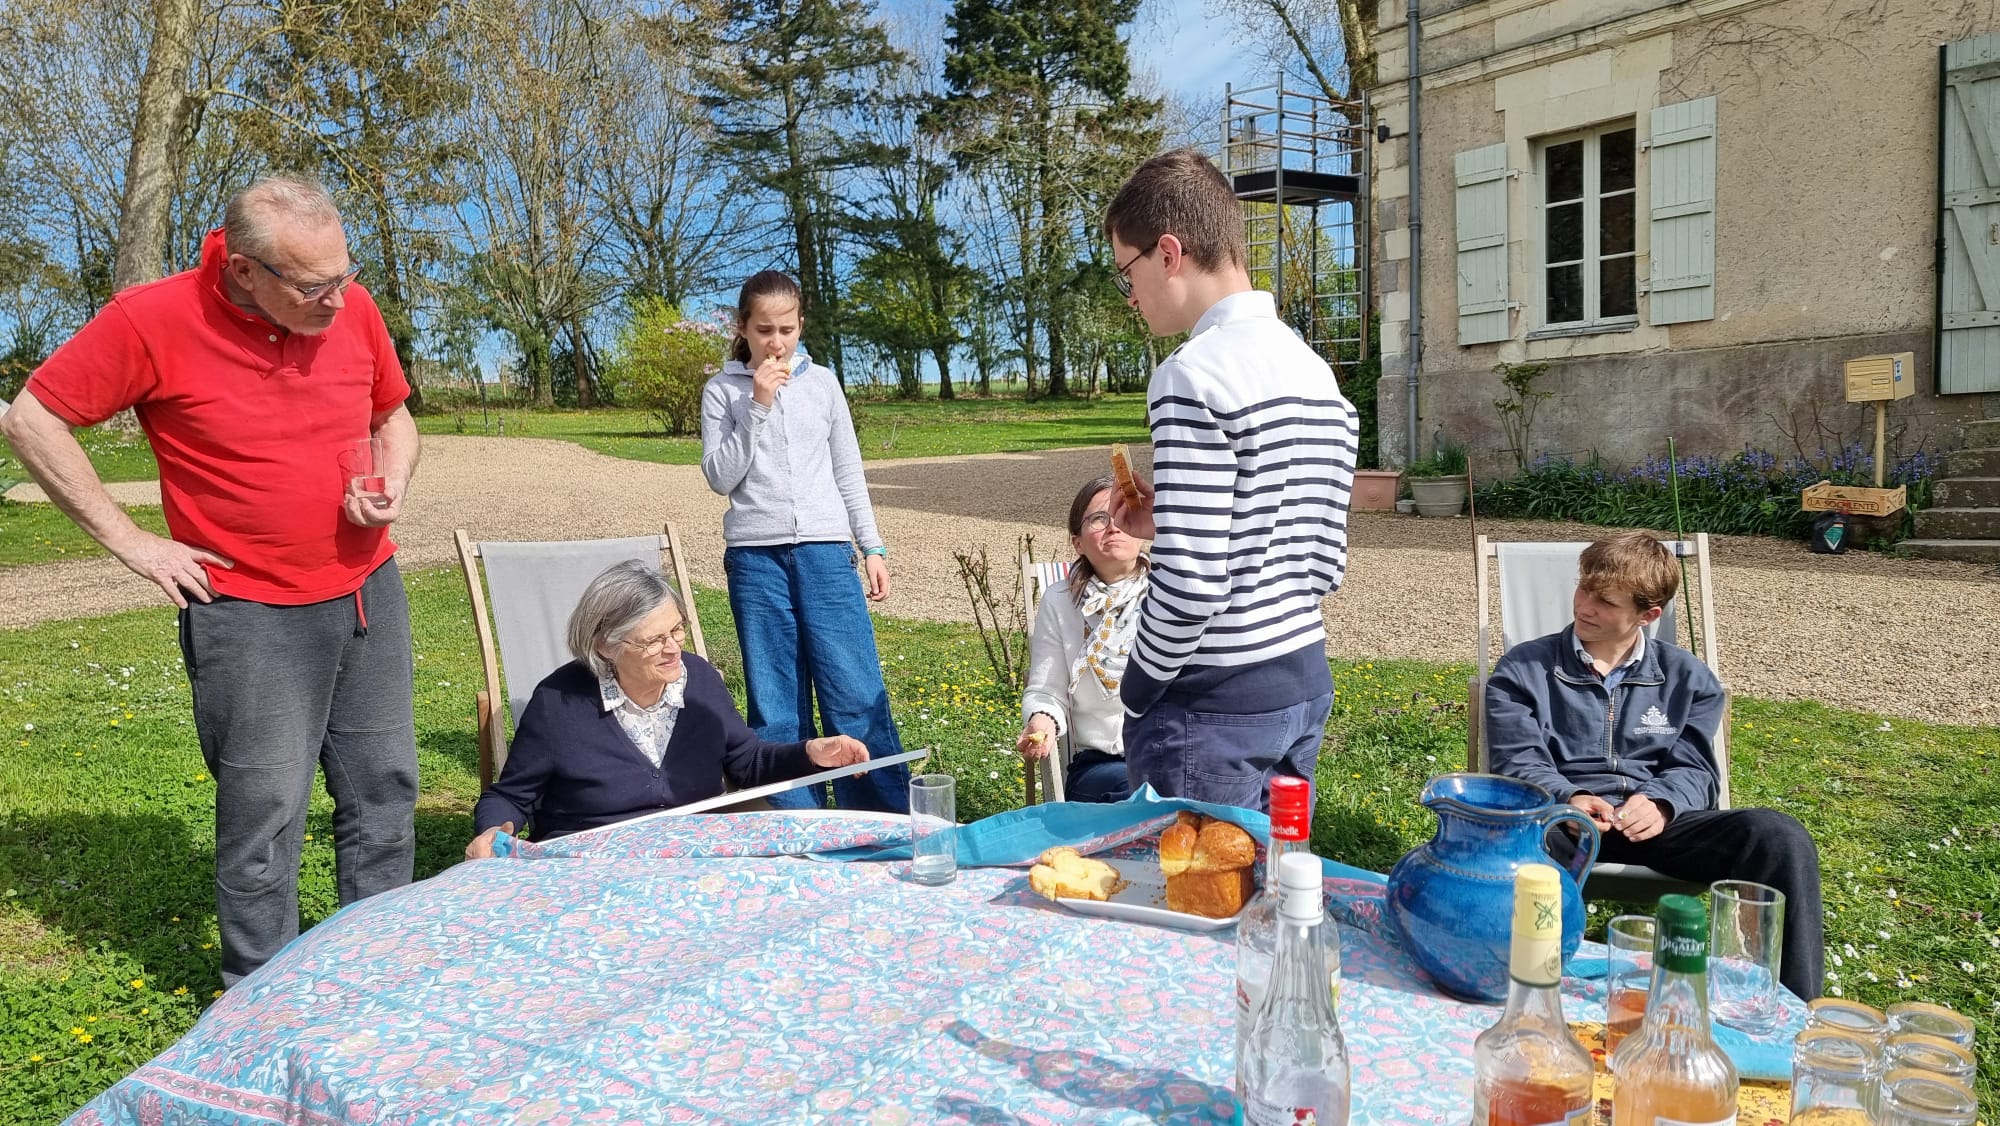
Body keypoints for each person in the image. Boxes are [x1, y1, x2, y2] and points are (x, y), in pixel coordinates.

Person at [0, 176, 420, 987]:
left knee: (385, 792)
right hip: (250, 611)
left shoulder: (352, 307)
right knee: (264, 816)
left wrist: (393, 480)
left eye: (345, 275)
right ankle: (259, 996)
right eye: (312, 286)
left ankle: (377, 971)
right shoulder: (151, 319)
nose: (338, 300)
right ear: (242, 270)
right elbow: (31, 419)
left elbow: (391, 415)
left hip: (369, 590)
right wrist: (136, 545)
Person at [1099, 147, 1358, 813]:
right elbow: (1320, 556)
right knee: (1271, 898)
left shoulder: (1191, 374)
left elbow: (1193, 585)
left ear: (1167, 252)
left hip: (1213, 702)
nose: (1130, 295)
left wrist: (1138, 687)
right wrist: (1175, 522)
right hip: (1301, 677)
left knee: (1186, 904)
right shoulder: (1313, 372)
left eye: (1126, 270)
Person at [1484, 531, 1825, 1000]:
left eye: (1605, 601)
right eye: (1583, 589)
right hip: (1564, 826)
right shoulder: (1523, 670)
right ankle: (1526, 994)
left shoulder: (1691, 679)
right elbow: (1517, 759)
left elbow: (1697, 769)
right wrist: (1569, 798)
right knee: (1528, 846)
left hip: (1660, 827)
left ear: (1648, 615)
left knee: (1778, 836)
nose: (1584, 606)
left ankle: (1792, 1008)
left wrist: (1663, 803)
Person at [466, 561, 869, 855]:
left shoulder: (699, 680)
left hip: (694, 857)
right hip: (591, 868)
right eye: (654, 639)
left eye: (677, 629)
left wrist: (811, 753)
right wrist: (492, 832)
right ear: (607, 646)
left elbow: (748, 762)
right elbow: (510, 798)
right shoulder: (559, 703)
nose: (674, 647)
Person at [699, 270, 909, 814]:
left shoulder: (824, 384)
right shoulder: (722, 391)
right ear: (742, 328)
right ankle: (795, 825)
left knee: (855, 693)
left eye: (786, 329)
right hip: (754, 559)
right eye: (764, 330)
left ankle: (881, 824)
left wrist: (873, 547)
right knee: (776, 706)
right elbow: (722, 477)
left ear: (801, 326)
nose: (776, 342)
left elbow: (848, 472)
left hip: (825, 553)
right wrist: (758, 407)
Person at [1018, 476, 1149, 803]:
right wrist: (1042, 720)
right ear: (1077, 542)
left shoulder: (1168, 592)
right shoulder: (1060, 600)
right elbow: (1047, 690)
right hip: (1102, 764)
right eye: (1099, 519)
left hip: (1167, 752)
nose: (1114, 526)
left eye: (1123, 515)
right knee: (1139, 795)